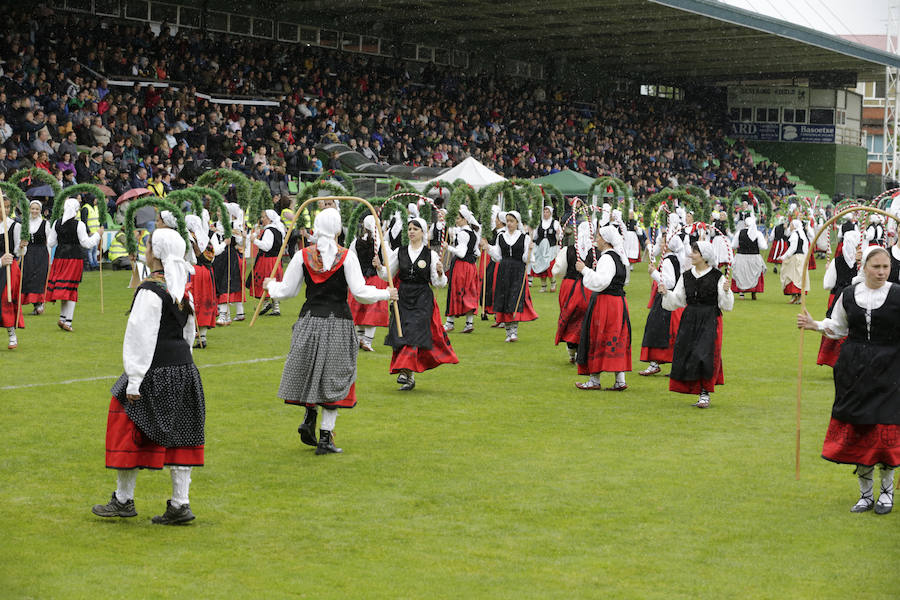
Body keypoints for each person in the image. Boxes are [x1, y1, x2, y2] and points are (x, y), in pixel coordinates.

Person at [91, 228, 204, 525]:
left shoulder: (151, 290)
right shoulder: (178, 286)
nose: (146, 249)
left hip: (156, 369)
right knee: (181, 433)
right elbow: (189, 332)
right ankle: (180, 503)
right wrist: (185, 364)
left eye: (149, 245)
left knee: (126, 425)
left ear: (156, 253)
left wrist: (135, 379)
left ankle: (124, 499)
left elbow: (140, 335)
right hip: (183, 368)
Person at [265, 208, 395, 454]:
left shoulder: (303, 255)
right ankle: (325, 436)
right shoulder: (346, 256)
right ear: (337, 229)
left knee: (312, 370)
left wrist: (271, 287)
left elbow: (288, 290)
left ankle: (310, 416)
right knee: (335, 376)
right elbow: (359, 291)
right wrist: (385, 293)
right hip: (338, 322)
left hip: (310, 320)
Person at [797, 246, 899, 514]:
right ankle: (865, 494)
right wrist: (815, 324)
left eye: (885, 267)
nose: (881, 272)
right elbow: (838, 326)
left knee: (884, 429)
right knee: (860, 428)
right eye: (875, 267)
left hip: (890, 370)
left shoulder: (898, 294)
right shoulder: (849, 295)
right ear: (864, 267)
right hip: (853, 370)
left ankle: (887, 493)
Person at [378, 217, 458, 391]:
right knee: (402, 332)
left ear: (423, 232)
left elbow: (438, 283)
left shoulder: (431, 254)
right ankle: (409, 375)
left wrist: (439, 273)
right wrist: (379, 268)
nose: (411, 231)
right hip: (403, 297)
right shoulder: (400, 251)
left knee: (413, 332)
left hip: (423, 298)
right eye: (409, 229)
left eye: (415, 229)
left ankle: (405, 372)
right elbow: (387, 275)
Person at [658, 241, 734, 408]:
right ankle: (697, 389)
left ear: (704, 256)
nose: (691, 255)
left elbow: (726, 305)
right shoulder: (686, 276)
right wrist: (666, 294)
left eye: (695, 252)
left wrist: (727, 291)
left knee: (705, 354)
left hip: (710, 318)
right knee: (690, 353)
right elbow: (678, 299)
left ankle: (705, 393)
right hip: (690, 318)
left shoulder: (717, 276)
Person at [574, 225, 631, 391]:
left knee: (598, 335)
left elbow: (601, 281)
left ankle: (594, 379)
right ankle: (619, 379)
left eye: (598, 237)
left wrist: (585, 270)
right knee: (616, 336)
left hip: (606, 302)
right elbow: (624, 280)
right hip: (618, 303)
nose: (596, 240)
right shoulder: (619, 257)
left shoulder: (606, 258)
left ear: (605, 241)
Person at [46, 197, 103, 331]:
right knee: (71, 289)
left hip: (60, 258)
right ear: (76, 210)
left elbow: (50, 243)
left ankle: (62, 318)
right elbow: (87, 244)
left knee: (63, 288)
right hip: (74, 259)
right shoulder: (80, 225)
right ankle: (68, 321)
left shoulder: (57, 223)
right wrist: (98, 235)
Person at [481, 211, 538, 342]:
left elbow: (526, 259)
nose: (509, 223)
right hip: (504, 270)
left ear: (517, 222)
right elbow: (498, 257)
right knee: (504, 298)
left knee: (514, 298)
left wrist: (529, 250)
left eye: (512, 221)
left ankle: (514, 332)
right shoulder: (501, 237)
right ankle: (508, 332)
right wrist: (488, 248)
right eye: (507, 221)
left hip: (518, 270)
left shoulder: (524, 237)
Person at [552, 221, 597, 363]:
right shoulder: (597, 253)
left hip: (570, 288)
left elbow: (557, 270)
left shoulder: (568, 250)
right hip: (589, 287)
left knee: (569, 317)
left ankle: (572, 350)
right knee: (586, 319)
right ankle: (582, 349)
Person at [639, 233, 684, 376]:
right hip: (673, 299)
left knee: (657, 328)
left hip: (666, 298)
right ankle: (669, 364)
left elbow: (669, 282)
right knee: (668, 331)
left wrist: (654, 273)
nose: (661, 245)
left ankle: (654, 363)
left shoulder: (668, 261)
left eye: (664, 243)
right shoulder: (675, 259)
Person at [816, 230, 860, 367]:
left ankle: (835, 359)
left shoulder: (837, 262)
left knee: (836, 323)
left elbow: (827, 285)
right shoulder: (862, 263)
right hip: (857, 297)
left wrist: (830, 270)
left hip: (837, 297)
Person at [348, 214, 389, 351]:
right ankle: (366, 340)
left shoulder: (355, 242)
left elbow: (351, 259)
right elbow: (388, 258)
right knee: (373, 309)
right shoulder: (381, 242)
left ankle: (361, 338)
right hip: (375, 278)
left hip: (360, 278)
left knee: (360, 307)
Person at [443, 204, 481, 334]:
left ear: (465, 219)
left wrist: (448, 247)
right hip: (471, 267)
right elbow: (477, 252)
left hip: (461, 266)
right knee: (469, 292)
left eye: (458, 218)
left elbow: (461, 253)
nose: (456, 220)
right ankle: (469, 323)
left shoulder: (462, 234)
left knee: (456, 291)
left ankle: (449, 323)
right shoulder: (474, 233)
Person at [185, 215, 217, 349]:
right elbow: (212, 257)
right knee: (205, 302)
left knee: (193, 301)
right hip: (208, 273)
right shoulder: (206, 238)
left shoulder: (189, 237)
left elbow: (187, 255)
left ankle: (191, 336)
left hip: (195, 272)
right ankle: (202, 337)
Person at [248, 209, 285, 317]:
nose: (262, 219)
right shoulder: (277, 230)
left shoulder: (269, 231)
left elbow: (267, 246)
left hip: (268, 260)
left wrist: (254, 241)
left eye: (264, 217)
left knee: (264, 281)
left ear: (269, 219)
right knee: (273, 282)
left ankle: (266, 304)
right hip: (275, 260)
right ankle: (275, 308)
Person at [1, 194, 25, 349]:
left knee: (6, 300)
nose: (6, 210)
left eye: (8, 207)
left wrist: (22, 247)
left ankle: (12, 334)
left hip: (10, 269)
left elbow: (19, 251)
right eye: (3, 207)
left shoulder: (14, 226)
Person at [20, 199, 50, 316]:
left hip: (41, 253)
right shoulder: (25, 223)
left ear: (40, 210)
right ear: (29, 209)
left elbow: (50, 241)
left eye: (37, 209)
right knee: (27, 276)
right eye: (32, 208)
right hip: (28, 253)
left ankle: (39, 304)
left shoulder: (45, 224)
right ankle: (30, 302)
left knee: (39, 277)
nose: (34, 211)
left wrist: (49, 258)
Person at [730, 215, 767, 300]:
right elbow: (763, 247)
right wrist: (765, 240)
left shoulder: (739, 232)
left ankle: (741, 293)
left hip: (741, 256)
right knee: (754, 274)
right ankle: (753, 293)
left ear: (745, 224)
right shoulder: (758, 233)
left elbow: (734, 245)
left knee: (741, 274)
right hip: (754, 257)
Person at [530, 205, 561, 292]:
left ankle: (553, 283)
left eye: (547, 212)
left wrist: (558, 234)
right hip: (540, 248)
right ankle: (543, 286)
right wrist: (532, 233)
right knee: (540, 266)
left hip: (551, 248)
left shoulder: (555, 223)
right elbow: (535, 236)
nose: (545, 214)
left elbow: (560, 236)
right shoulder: (539, 223)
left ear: (551, 213)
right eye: (544, 212)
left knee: (549, 267)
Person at [779, 219, 811, 304]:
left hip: (795, 258)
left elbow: (792, 248)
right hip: (802, 257)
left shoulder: (794, 235)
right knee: (799, 276)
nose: (791, 226)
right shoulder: (802, 235)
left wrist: (784, 256)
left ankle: (794, 296)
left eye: (792, 225)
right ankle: (799, 297)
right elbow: (805, 248)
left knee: (791, 276)